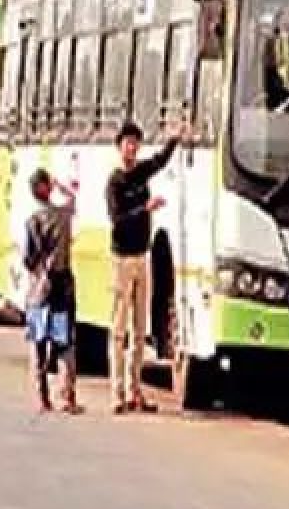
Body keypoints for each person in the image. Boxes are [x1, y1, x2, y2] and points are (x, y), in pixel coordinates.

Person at [105, 118, 189, 415]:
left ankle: (135, 391)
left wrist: (174, 139)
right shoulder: (115, 182)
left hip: (143, 256)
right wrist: (145, 209)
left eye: (135, 143)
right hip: (122, 259)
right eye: (127, 143)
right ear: (119, 147)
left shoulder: (141, 172)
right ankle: (117, 393)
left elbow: (159, 161)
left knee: (140, 330)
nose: (132, 148)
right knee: (119, 330)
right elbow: (117, 220)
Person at [24, 168, 82, 415]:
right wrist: (61, 185)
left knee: (38, 343)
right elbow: (73, 199)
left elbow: (28, 259)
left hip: (39, 289)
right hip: (62, 287)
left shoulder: (32, 221)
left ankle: (42, 398)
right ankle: (67, 397)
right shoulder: (63, 216)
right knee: (64, 342)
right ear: (48, 188)